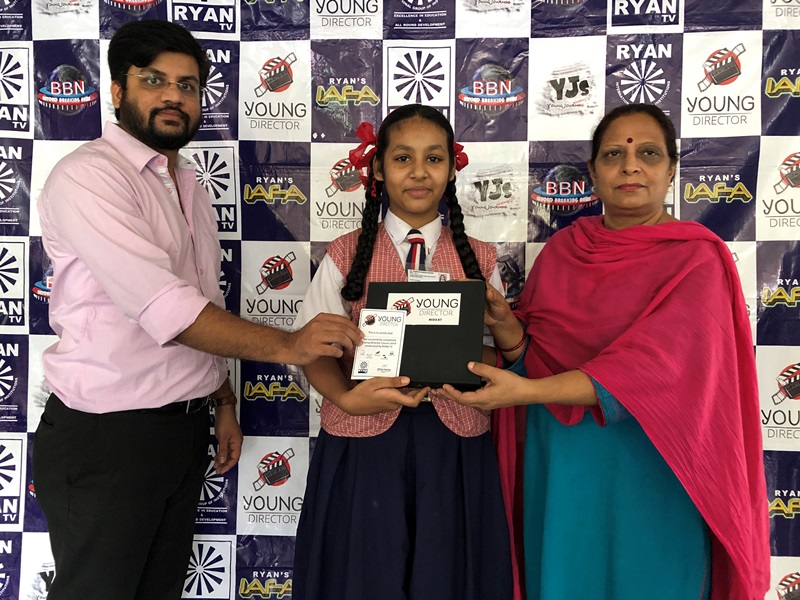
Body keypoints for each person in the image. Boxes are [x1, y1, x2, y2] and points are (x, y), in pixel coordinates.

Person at [32, 20, 361, 600]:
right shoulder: (88, 177)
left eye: (187, 85)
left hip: (180, 430)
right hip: (109, 437)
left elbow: (200, 304)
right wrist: (289, 344)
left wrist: (222, 399)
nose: (173, 96)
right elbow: (167, 309)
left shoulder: (187, 185)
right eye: (154, 80)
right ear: (117, 90)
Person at [437, 104, 770, 600]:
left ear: (672, 170)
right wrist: (506, 327)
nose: (630, 166)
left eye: (648, 154)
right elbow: (534, 358)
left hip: (655, 468)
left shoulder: (698, 260)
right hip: (564, 469)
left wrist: (524, 391)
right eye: (614, 154)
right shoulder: (563, 251)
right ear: (593, 173)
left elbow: (648, 371)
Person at [291, 104, 513, 600]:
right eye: (402, 158)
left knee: (446, 576)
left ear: (452, 169)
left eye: (433, 158)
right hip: (362, 440)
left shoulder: (480, 258)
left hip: (453, 442)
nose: (418, 172)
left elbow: (495, 353)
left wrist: (487, 350)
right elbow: (312, 351)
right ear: (377, 169)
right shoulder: (344, 254)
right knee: (361, 575)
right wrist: (345, 399)